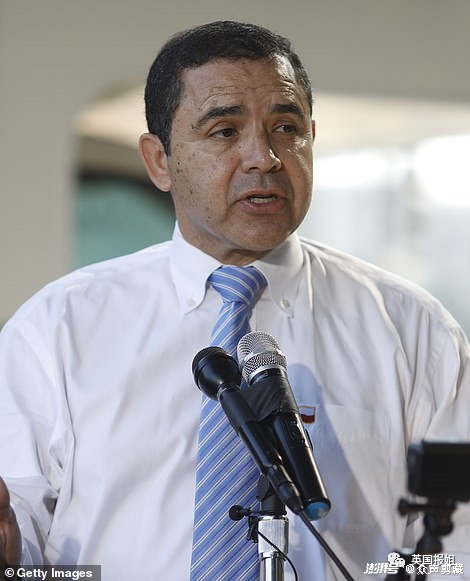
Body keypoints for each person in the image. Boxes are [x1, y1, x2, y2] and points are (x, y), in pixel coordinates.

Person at [0, 19, 469, 581]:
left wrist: (398, 573)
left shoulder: (414, 331)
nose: (264, 157)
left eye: (286, 128)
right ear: (159, 161)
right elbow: (23, 548)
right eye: (224, 131)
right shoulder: (58, 328)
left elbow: (458, 550)